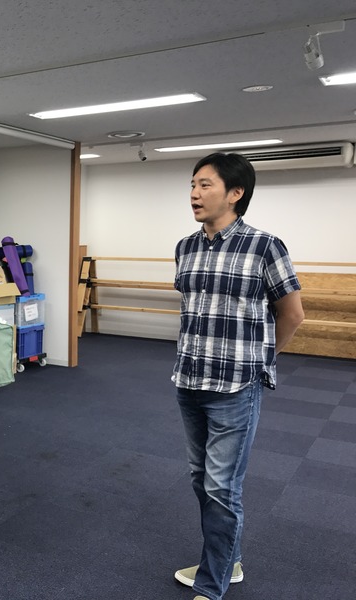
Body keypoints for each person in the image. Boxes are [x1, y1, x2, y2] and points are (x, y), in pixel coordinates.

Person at [171, 153, 305, 600]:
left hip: (235, 387)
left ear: (235, 193)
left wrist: (260, 361)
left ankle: (212, 585)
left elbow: (292, 314)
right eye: (193, 185)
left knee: (221, 488)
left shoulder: (266, 246)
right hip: (189, 380)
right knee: (201, 480)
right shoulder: (185, 247)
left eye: (205, 185)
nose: (194, 193)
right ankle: (229, 561)